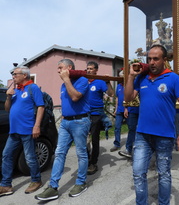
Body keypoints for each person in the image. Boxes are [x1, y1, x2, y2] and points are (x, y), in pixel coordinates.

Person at [124, 44, 179, 205]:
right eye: (149, 59)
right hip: (142, 134)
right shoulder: (142, 78)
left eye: (156, 59)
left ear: (164, 60)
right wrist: (131, 76)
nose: (152, 62)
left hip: (165, 135)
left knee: (164, 174)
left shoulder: (173, 78)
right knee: (138, 173)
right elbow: (129, 97)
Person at [35, 59, 91, 200]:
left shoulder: (83, 80)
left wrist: (67, 80)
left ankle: (81, 182)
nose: (58, 70)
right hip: (66, 122)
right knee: (59, 153)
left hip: (80, 121)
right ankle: (53, 187)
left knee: (81, 153)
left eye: (60, 67)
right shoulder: (62, 84)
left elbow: (75, 97)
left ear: (69, 67)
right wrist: (65, 81)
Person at [0, 66, 44, 196]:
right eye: (13, 74)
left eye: (15, 74)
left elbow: (41, 107)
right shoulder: (16, 90)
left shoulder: (33, 88)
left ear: (24, 75)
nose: (13, 76)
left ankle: (36, 180)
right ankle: (6, 185)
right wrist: (8, 97)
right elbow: (7, 109)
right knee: (6, 155)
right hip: (14, 131)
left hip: (27, 130)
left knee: (30, 158)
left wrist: (36, 126)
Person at [86, 61, 114, 175]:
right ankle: (86, 160)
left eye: (91, 69)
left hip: (96, 114)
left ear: (96, 70)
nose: (89, 70)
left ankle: (93, 163)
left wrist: (108, 82)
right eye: (87, 68)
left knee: (94, 139)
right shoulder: (83, 81)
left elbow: (111, 94)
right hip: (84, 114)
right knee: (83, 140)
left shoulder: (100, 82)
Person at [111, 70, 126, 152]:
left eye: (121, 77)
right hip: (120, 110)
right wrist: (116, 109)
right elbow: (117, 98)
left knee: (132, 128)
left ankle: (130, 145)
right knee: (117, 127)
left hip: (128, 110)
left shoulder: (129, 85)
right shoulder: (118, 86)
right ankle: (116, 144)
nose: (120, 78)